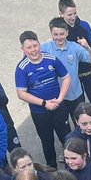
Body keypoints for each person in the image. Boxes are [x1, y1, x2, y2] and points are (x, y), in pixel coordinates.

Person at [15, 30, 72, 168]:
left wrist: (59, 99)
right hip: (40, 112)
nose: (33, 50)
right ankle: (51, 169)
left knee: (67, 138)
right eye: (29, 48)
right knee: (47, 141)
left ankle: (72, 165)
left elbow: (66, 77)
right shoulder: (22, 68)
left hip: (58, 107)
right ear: (23, 49)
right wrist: (44, 103)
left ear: (39, 44)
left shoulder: (51, 59)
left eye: (35, 46)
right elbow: (21, 93)